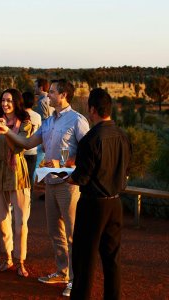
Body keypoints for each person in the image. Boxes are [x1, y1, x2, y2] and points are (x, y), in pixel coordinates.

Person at [0, 79, 89, 297]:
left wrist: (65, 163)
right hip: (50, 183)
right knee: (54, 231)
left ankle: (75, 281)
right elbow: (28, 144)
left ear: (64, 95)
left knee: (72, 234)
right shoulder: (48, 122)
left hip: (69, 185)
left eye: (53, 92)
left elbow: (88, 150)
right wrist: (4, 131)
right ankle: (62, 271)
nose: (48, 96)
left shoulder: (77, 120)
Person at [67, 88, 132, 300]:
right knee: (112, 259)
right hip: (115, 204)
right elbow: (126, 169)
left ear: (92, 109)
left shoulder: (90, 140)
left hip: (92, 205)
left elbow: (82, 177)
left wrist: (66, 176)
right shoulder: (123, 136)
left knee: (84, 260)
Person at [0, 89, 32, 277]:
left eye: (9, 100)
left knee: (21, 221)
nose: (5, 103)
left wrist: (5, 131)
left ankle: (20, 260)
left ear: (16, 102)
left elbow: (21, 144)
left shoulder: (25, 123)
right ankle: (8, 257)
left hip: (17, 173)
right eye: (3, 100)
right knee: (2, 219)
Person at [22, 91, 41, 201]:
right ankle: (28, 199)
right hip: (33, 150)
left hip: (21, 150)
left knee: (20, 177)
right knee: (30, 176)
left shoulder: (20, 115)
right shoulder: (37, 116)